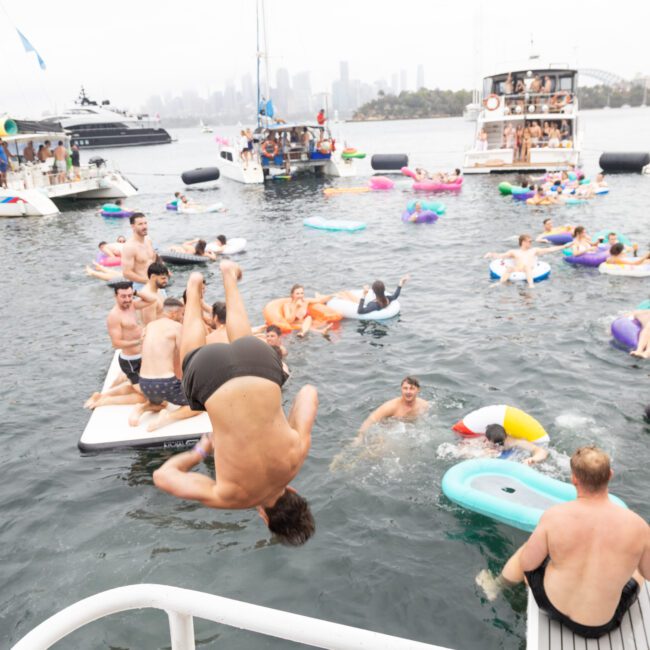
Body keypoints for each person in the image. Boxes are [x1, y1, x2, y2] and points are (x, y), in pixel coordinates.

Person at [152, 262, 318, 546]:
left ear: (293, 490)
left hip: (261, 361)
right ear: (265, 518)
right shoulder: (229, 497)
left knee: (244, 343)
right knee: (191, 357)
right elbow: (163, 476)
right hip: (210, 375)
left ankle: (229, 276)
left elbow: (308, 393)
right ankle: (193, 289)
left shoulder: (296, 457)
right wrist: (202, 449)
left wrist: (286, 424)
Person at [476, 446, 649, 639]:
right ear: (610, 475)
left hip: (549, 605)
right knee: (636, 569)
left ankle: (496, 586)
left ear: (574, 479)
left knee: (528, 550)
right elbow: (648, 573)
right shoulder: (638, 526)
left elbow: (528, 564)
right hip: (596, 627)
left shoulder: (554, 515)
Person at [129, 297, 202, 431]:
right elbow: (183, 359)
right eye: (182, 314)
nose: (182, 317)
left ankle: (141, 408)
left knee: (161, 404)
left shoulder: (150, 326)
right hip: (165, 383)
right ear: (174, 313)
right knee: (197, 406)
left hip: (144, 383)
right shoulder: (177, 327)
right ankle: (168, 417)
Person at [83, 282, 154, 409]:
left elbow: (151, 300)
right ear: (116, 296)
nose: (127, 299)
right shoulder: (114, 316)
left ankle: (102, 395)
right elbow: (116, 344)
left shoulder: (132, 305)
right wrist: (139, 342)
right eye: (123, 296)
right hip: (131, 362)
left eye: (129, 295)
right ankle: (102, 401)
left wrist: (136, 293)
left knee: (138, 387)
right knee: (145, 397)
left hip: (142, 356)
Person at [355, 377, 429, 442]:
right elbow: (371, 419)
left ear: (418, 390)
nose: (408, 392)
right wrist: (359, 437)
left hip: (405, 432)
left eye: (412, 388)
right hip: (385, 431)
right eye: (405, 388)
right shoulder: (391, 406)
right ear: (401, 389)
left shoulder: (424, 405)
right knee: (376, 450)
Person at [485, 234, 570, 288]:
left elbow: (550, 249)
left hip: (529, 269)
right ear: (523, 242)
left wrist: (564, 246)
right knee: (510, 268)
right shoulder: (514, 252)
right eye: (529, 241)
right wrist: (491, 254)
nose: (531, 243)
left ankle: (530, 284)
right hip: (518, 269)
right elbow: (501, 255)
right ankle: (500, 283)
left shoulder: (534, 250)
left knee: (526, 267)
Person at [121, 213, 157, 291]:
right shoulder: (129, 247)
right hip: (141, 286)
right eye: (140, 224)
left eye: (145, 223)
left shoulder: (148, 240)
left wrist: (163, 270)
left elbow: (153, 259)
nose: (144, 227)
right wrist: (147, 281)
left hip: (155, 283)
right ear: (133, 226)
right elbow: (126, 273)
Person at [482, 423, 548, 465]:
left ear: (506, 437)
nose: (499, 447)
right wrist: (483, 453)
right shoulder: (482, 442)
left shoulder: (515, 442)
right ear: (487, 440)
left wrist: (532, 459)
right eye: (495, 445)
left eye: (501, 443)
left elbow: (542, 451)